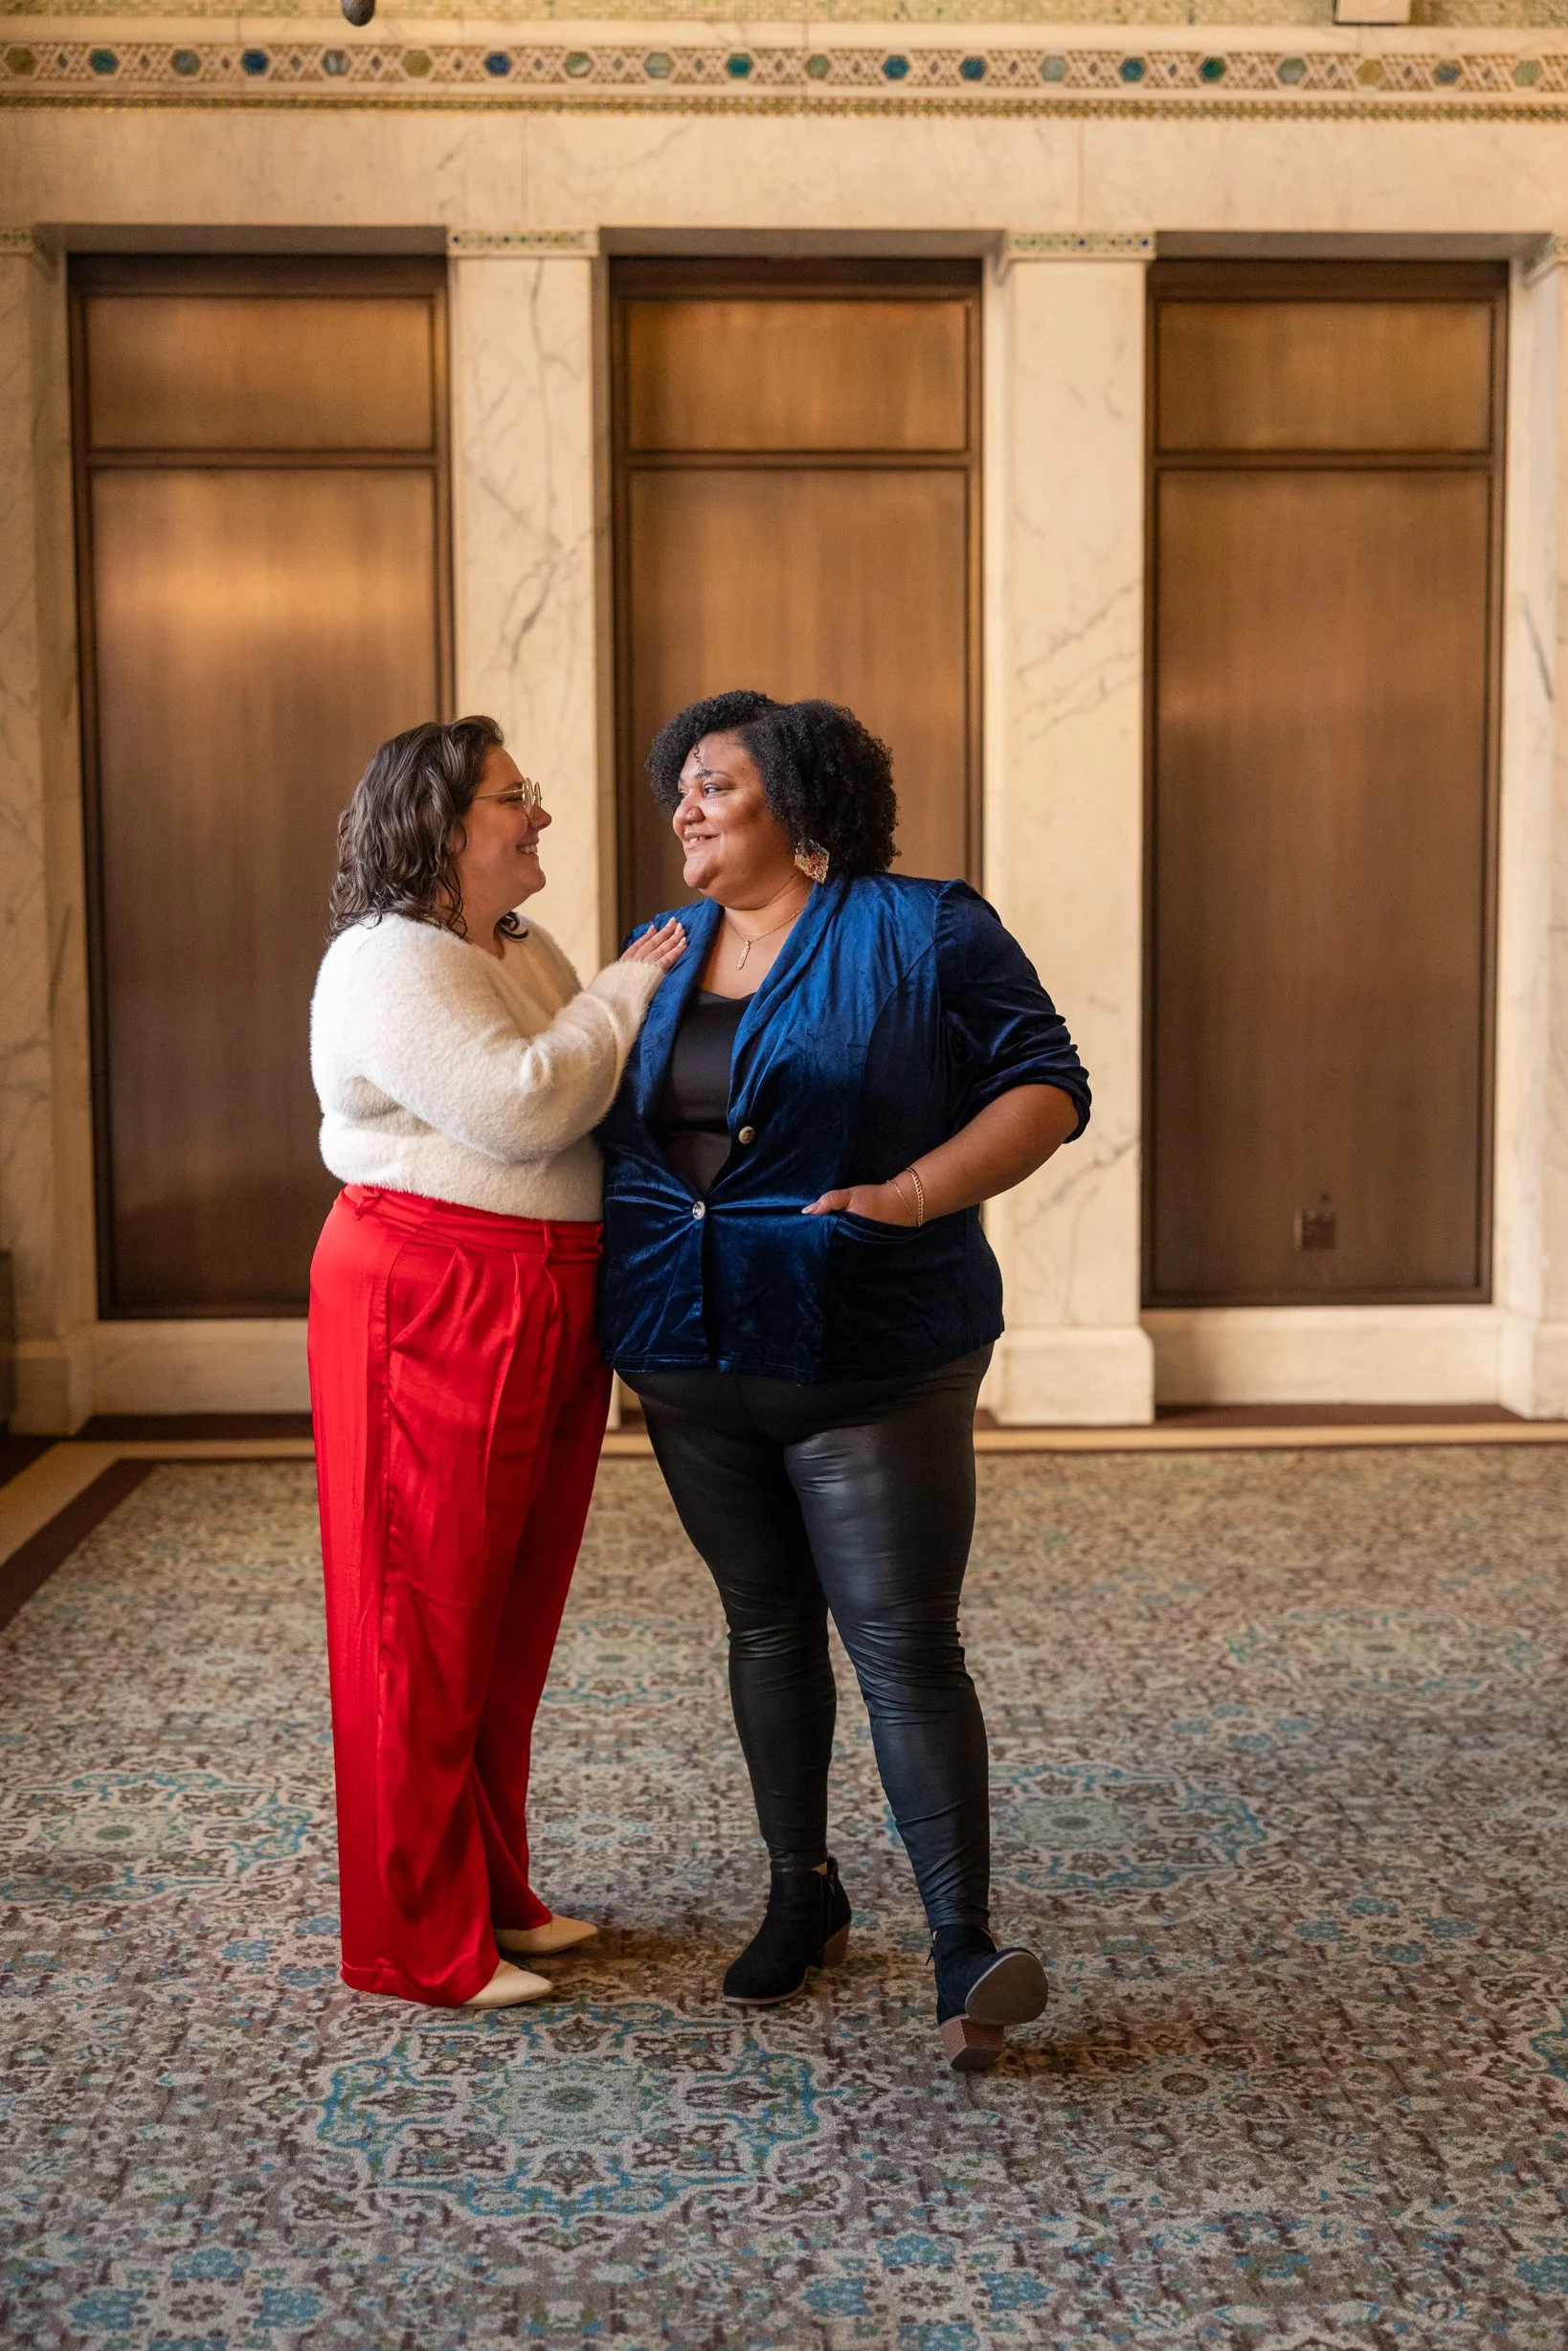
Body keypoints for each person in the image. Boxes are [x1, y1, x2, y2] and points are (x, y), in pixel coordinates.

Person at [598, 692, 1090, 2070]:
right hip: (687, 1348)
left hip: (870, 1348)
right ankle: (800, 1893)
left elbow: (1048, 1085)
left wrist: (917, 1190)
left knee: (900, 1645)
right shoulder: (657, 950)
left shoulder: (925, 926)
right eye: (677, 788)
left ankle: (960, 1948)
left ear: (796, 803)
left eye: (711, 786)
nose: (681, 811)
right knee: (763, 1629)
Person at [308, 715, 685, 2008]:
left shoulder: (522, 950)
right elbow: (527, 1105)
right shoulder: (386, 959)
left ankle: (487, 1885)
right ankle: (415, 1939)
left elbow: (581, 1082)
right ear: (438, 822)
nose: (537, 817)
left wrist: (604, 1000)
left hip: (540, 1295)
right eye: (512, 798)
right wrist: (624, 991)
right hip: (427, 1291)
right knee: (418, 1616)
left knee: (505, 1618)